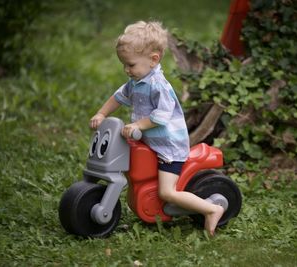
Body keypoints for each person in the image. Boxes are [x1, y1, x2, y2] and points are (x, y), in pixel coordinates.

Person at [89, 21, 224, 236]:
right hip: (151, 142)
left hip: (169, 148)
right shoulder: (136, 81)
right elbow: (118, 97)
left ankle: (212, 209)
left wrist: (138, 125)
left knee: (167, 192)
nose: (126, 69)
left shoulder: (158, 85)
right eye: (124, 64)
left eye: (130, 65)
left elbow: (160, 116)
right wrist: (102, 114)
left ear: (154, 59)